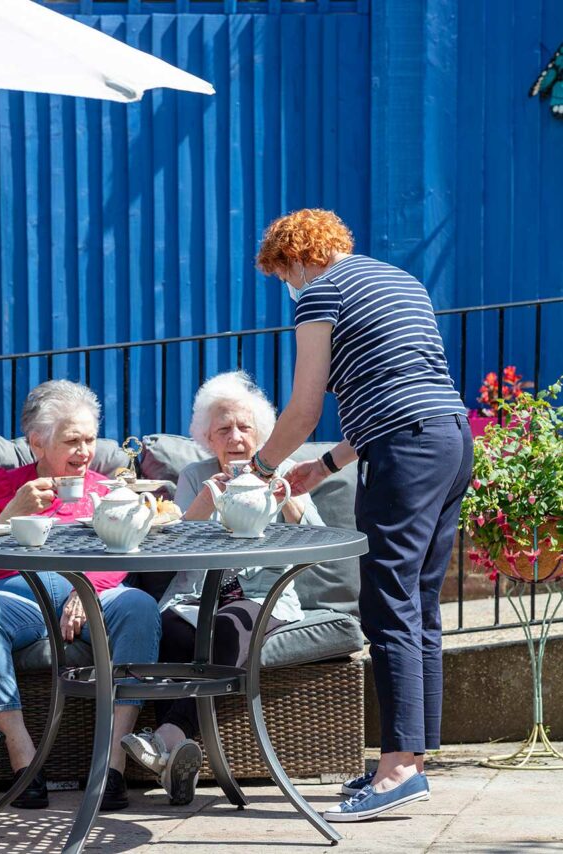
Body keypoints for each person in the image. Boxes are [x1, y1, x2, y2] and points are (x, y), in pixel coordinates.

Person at [252, 209, 474, 821]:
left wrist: (261, 469)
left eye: (282, 274)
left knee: (387, 600)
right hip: (450, 440)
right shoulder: (400, 280)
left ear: (294, 259)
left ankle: (398, 768)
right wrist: (323, 466)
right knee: (419, 602)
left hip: (406, 449)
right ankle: (411, 761)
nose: (286, 285)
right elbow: (402, 388)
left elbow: (301, 406)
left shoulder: (318, 292)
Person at [121, 370, 323, 805]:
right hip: (194, 598)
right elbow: (170, 549)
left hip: (258, 598)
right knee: (168, 631)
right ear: (207, 438)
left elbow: (318, 542)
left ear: (262, 433)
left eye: (244, 427)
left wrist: (287, 497)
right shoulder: (195, 476)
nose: (235, 437)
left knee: (230, 627)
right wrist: (202, 505)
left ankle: (168, 736)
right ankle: (176, 763)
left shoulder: (286, 471)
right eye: (223, 429)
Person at [0, 380, 161, 811]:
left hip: (94, 597)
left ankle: (111, 766)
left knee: (139, 606)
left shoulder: (108, 491)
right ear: (37, 443)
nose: (85, 451)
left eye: (90, 439)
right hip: (21, 599)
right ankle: (23, 759)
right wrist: (12, 513)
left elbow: (126, 553)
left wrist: (85, 590)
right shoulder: (2, 485)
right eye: (72, 440)